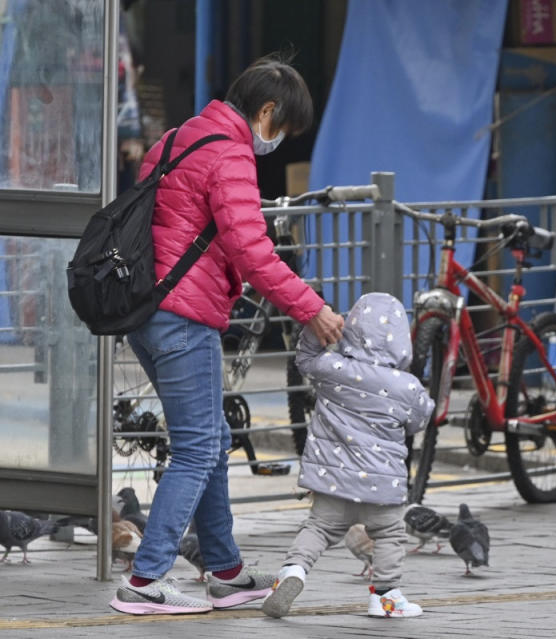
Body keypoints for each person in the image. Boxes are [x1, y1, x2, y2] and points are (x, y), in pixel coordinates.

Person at [109, 55, 345, 616]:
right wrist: (311, 309)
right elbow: (252, 248)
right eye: (281, 129)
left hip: (149, 309)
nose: (278, 141)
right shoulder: (230, 153)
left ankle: (227, 571)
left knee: (209, 439)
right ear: (267, 111)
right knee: (197, 447)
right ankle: (146, 580)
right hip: (183, 316)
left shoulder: (178, 138)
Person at [261, 292, 434, 619]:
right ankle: (385, 597)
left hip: (333, 480)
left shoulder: (332, 369)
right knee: (390, 535)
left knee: (318, 528)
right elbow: (418, 421)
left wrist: (319, 323)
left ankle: (293, 571)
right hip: (382, 488)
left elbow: (305, 358)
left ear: (350, 330)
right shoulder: (407, 387)